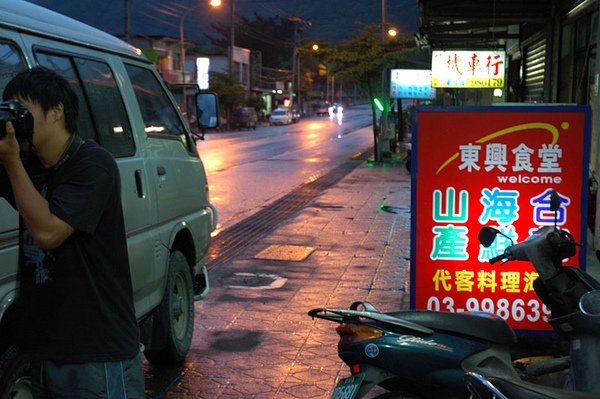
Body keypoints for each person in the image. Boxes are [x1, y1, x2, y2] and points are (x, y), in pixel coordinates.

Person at [0, 67, 145, 398]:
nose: (16, 120)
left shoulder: (93, 164)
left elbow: (48, 233)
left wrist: (10, 163)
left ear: (56, 111)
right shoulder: (27, 163)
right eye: (10, 111)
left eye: (23, 111)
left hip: (96, 355)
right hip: (45, 352)